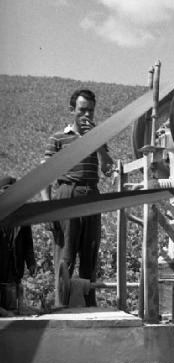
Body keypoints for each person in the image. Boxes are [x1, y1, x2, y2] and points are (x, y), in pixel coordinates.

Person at [41, 88, 114, 307]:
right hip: (67, 194)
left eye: (90, 111)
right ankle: (61, 304)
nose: (87, 116)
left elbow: (108, 169)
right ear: (72, 110)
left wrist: (98, 142)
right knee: (66, 254)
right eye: (82, 110)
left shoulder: (98, 138)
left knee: (90, 254)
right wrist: (47, 209)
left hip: (91, 194)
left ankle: (89, 304)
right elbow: (44, 177)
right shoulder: (58, 139)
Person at [0, 176, 36, 315]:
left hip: (14, 264)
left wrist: (31, 262)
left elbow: (28, 242)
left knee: (11, 303)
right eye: (5, 192)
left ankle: (14, 309)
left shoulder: (22, 215)